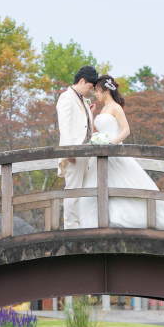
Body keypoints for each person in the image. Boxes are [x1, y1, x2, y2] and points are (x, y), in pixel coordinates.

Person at [78, 76, 164, 232]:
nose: (95, 94)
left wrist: (110, 146)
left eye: (97, 90)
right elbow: (96, 132)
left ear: (105, 90)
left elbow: (126, 130)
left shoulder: (116, 107)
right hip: (101, 154)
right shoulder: (103, 109)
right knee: (96, 187)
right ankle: (98, 222)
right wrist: (91, 114)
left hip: (112, 151)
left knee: (121, 184)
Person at [56, 65, 98, 229]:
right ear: (82, 81)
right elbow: (65, 127)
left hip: (84, 152)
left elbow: (85, 126)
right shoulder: (66, 97)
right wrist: (69, 150)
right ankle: (71, 227)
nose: (91, 90)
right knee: (73, 190)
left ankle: (81, 224)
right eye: (90, 86)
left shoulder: (81, 99)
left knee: (82, 190)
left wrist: (90, 111)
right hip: (74, 151)